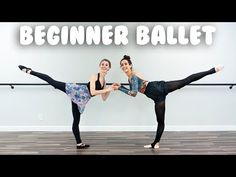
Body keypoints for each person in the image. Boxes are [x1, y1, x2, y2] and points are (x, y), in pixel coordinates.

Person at [113, 55, 224, 149]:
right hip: (157, 98)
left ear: (130, 65)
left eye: (125, 64)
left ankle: (212, 70)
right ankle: (155, 143)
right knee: (160, 121)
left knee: (185, 81)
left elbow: (133, 93)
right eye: (122, 65)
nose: (123, 66)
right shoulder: (130, 78)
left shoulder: (133, 76)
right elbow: (135, 90)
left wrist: (120, 88)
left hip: (159, 88)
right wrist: (122, 86)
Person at [18, 59, 115, 149]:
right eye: (102, 64)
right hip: (76, 91)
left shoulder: (104, 82)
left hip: (81, 100)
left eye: (106, 65)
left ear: (109, 68)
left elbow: (104, 98)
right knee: (53, 82)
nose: (104, 66)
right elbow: (93, 92)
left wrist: (111, 88)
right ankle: (30, 71)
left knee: (76, 121)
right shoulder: (95, 76)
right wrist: (108, 89)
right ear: (99, 66)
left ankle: (79, 143)